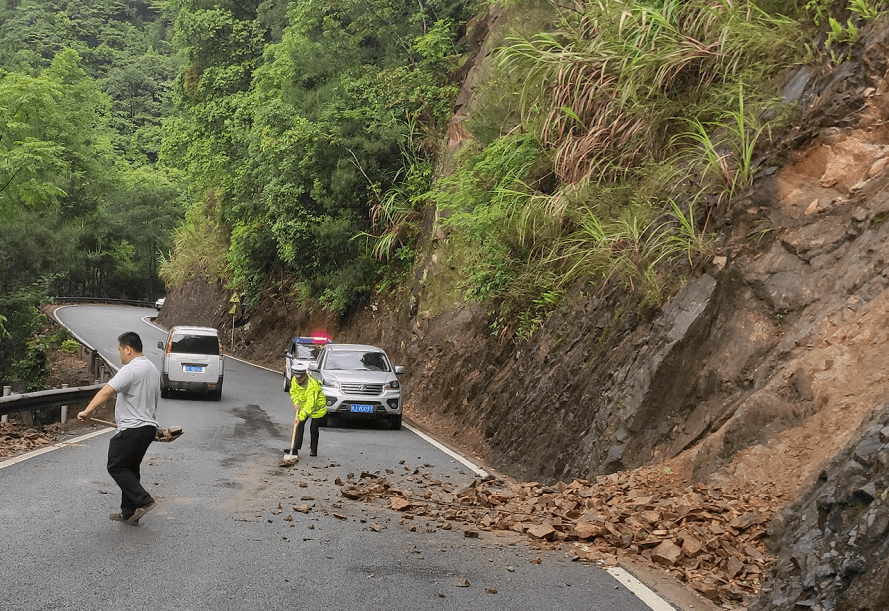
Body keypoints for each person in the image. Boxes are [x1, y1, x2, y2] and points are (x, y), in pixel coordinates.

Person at [78, 331, 159, 525]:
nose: (120, 354)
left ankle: (144, 501)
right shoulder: (152, 369)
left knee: (116, 465)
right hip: (148, 427)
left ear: (128, 349)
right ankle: (128, 513)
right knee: (130, 468)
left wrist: (87, 411)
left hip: (132, 428)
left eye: (120, 350)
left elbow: (107, 391)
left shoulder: (131, 369)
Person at [287, 363, 327, 457]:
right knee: (298, 425)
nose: (298, 380)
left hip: (318, 408)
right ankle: (295, 449)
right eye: (296, 377)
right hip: (304, 406)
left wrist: (300, 417)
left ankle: (314, 450)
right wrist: (296, 403)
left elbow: (310, 404)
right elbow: (293, 392)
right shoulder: (294, 380)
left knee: (313, 428)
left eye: (300, 377)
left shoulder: (312, 386)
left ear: (305, 375)